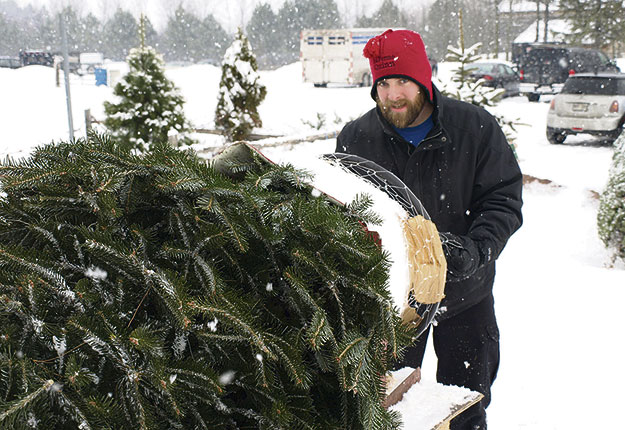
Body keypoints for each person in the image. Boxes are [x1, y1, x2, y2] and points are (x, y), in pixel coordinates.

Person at [335, 29, 523, 429]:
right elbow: (341, 210)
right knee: (385, 408)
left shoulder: (474, 128)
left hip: (466, 295)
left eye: (403, 81)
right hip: (392, 307)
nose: (393, 94)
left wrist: (476, 249)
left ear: (423, 78)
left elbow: (502, 199)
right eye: (383, 83)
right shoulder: (357, 138)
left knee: (466, 409)